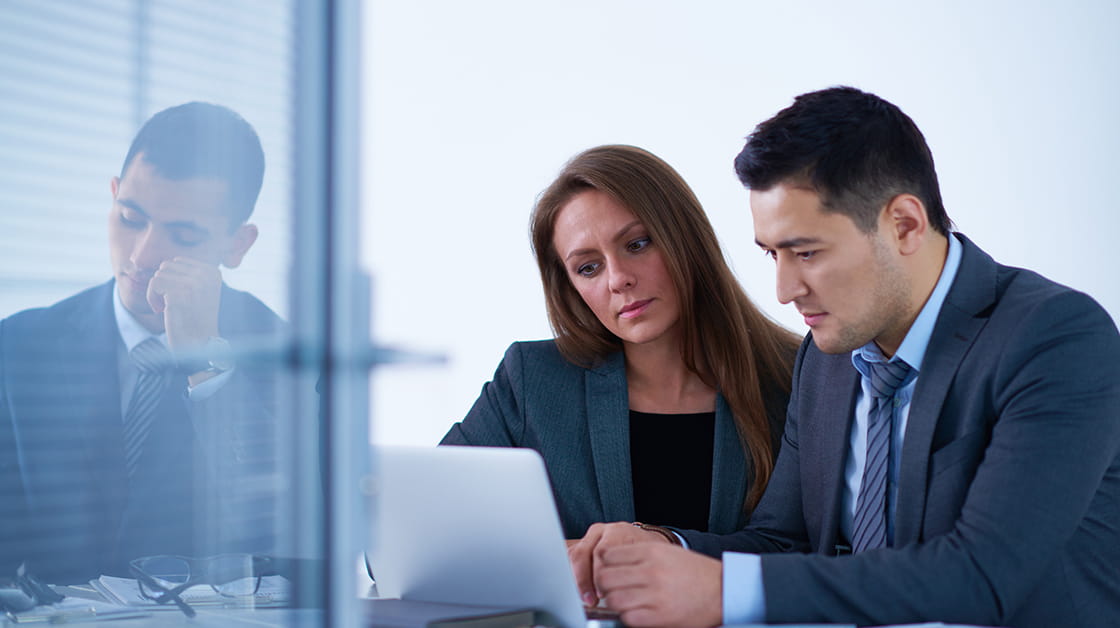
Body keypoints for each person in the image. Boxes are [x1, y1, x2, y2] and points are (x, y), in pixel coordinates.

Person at [570, 87, 1120, 627]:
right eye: (772, 254)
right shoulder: (828, 357)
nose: (784, 290)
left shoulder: (1055, 338)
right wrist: (666, 549)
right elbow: (785, 543)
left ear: (904, 224)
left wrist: (722, 589)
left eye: (806, 252)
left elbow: (982, 576)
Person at [441, 145, 800, 540]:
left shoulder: (799, 376)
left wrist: (660, 551)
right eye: (588, 268)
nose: (617, 279)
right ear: (570, 287)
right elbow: (401, 534)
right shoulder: (532, 380)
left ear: (686, 238)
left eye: (637, 244)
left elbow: (813, 552)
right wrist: (559, 559)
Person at [0, 102, 287, 584]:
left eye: (184, 233)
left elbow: (282, 532)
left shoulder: (284, 353)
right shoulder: (19, 346)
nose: (143, 255)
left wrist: (206, 362)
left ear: (236, 245)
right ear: (113, 195)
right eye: (130, 218)